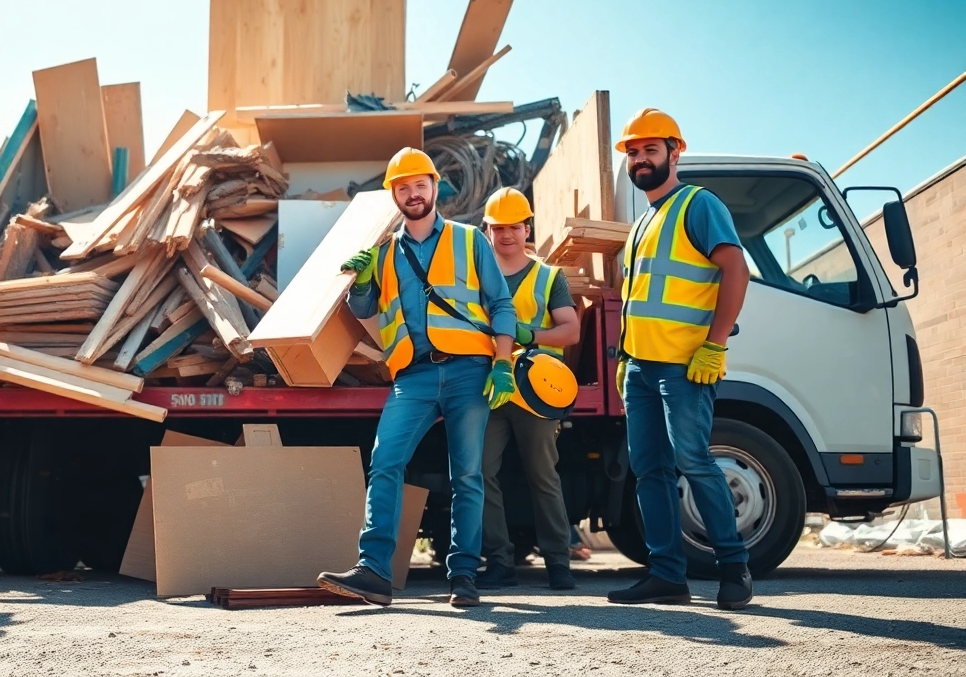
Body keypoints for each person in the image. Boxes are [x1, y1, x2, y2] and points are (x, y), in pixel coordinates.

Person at [317, 148, 518, 608]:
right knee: (386, 461)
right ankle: (373, 572)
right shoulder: (386, 253)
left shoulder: (470, 241)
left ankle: (463, 575)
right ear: (394, 195)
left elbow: (501, 305)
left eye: (419, 185)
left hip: (470, 369)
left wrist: (503, 364)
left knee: (467, 474)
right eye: (402, 187)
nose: (412, 193)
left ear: (433, 187)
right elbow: (364, 309)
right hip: (413, 375)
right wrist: (363, 280)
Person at [606, 109, 753, 610]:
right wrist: (626, 358)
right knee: (650, 471)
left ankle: (734, 568)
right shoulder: (642, 222)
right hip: (642, 368)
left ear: (675, 151)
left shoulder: (698, 204)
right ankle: (668, 575)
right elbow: (636, 298)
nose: (640, 159)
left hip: (685, 365)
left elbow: (736, 269)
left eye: (650, 149)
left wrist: (715, 344)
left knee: (693, 460)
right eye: (633, 151)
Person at [472, 188, 581, 591]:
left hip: (536, 392)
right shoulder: (474, 277)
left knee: (543, 476)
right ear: (486, 230)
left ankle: (559, 563)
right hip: (489, 387)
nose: (506, 235)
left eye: (513, 227)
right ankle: (500, 562)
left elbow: (570, 331)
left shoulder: (549, 276)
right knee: (480, 473)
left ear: (526, 228)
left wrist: (528, 333)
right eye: (498, 227)